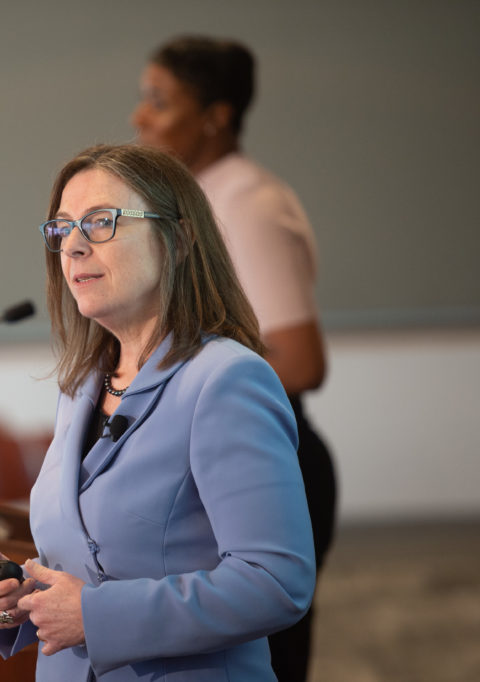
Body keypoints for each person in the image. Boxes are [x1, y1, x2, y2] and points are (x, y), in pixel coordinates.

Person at [0, 144, 315, 681]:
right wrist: (19, 597)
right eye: (62, 228)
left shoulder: (224, 380)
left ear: (178, 240)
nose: (74, 247)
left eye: (101, 222)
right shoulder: (81, 385)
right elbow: (90, 561)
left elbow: (275, 582)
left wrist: (95, 615)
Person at [129, 35, 338, 682]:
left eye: (160, 102)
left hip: (263, 457)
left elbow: (301, 362)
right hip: (222, 455)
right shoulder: (202, 198)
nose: (140, 117)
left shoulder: (244, 203)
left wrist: (177, 389)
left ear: (216, 116)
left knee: (259, 662)